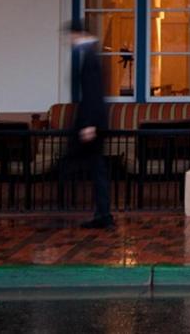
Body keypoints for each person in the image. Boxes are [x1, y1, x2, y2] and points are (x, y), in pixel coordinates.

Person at [63, 20, 114, 229]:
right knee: (95, 168)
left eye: (71, 36)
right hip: (91, 121)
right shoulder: (92, 54)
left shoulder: (91, 57)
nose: (69, 41)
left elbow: (93, 92)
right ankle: (102, 214)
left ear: (78, 34)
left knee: (84, 166)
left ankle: (102, 214)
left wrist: (89, 124)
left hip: (91, 123)